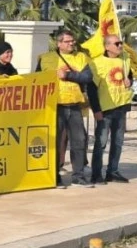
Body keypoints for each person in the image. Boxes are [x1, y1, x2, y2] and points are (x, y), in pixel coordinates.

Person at [37, 30, 94, 187]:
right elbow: (37, 79)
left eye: (72, 41)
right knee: (55, 143)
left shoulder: (81, 57)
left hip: (74, 105)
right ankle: (54, 175)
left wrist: (68, 76)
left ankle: (78, 176)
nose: (71, 44)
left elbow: (87, 77)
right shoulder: (46, 58)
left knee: (79, 141)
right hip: (55, 107)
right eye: (68, 41)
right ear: (59, 43)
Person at [87, 35, 137, 184]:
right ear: (107, 47)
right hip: (105, 108)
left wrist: (129, 80)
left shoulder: (124, 59)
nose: (120, 46)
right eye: (116, 43)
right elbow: (91, 88)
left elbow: (130, 76)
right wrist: (96, 110)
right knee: (101, 143)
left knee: (118, 142)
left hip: (121, 106)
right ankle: (96, 174)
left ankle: (113, 171)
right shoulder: (97, 63)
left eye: (120, 43)